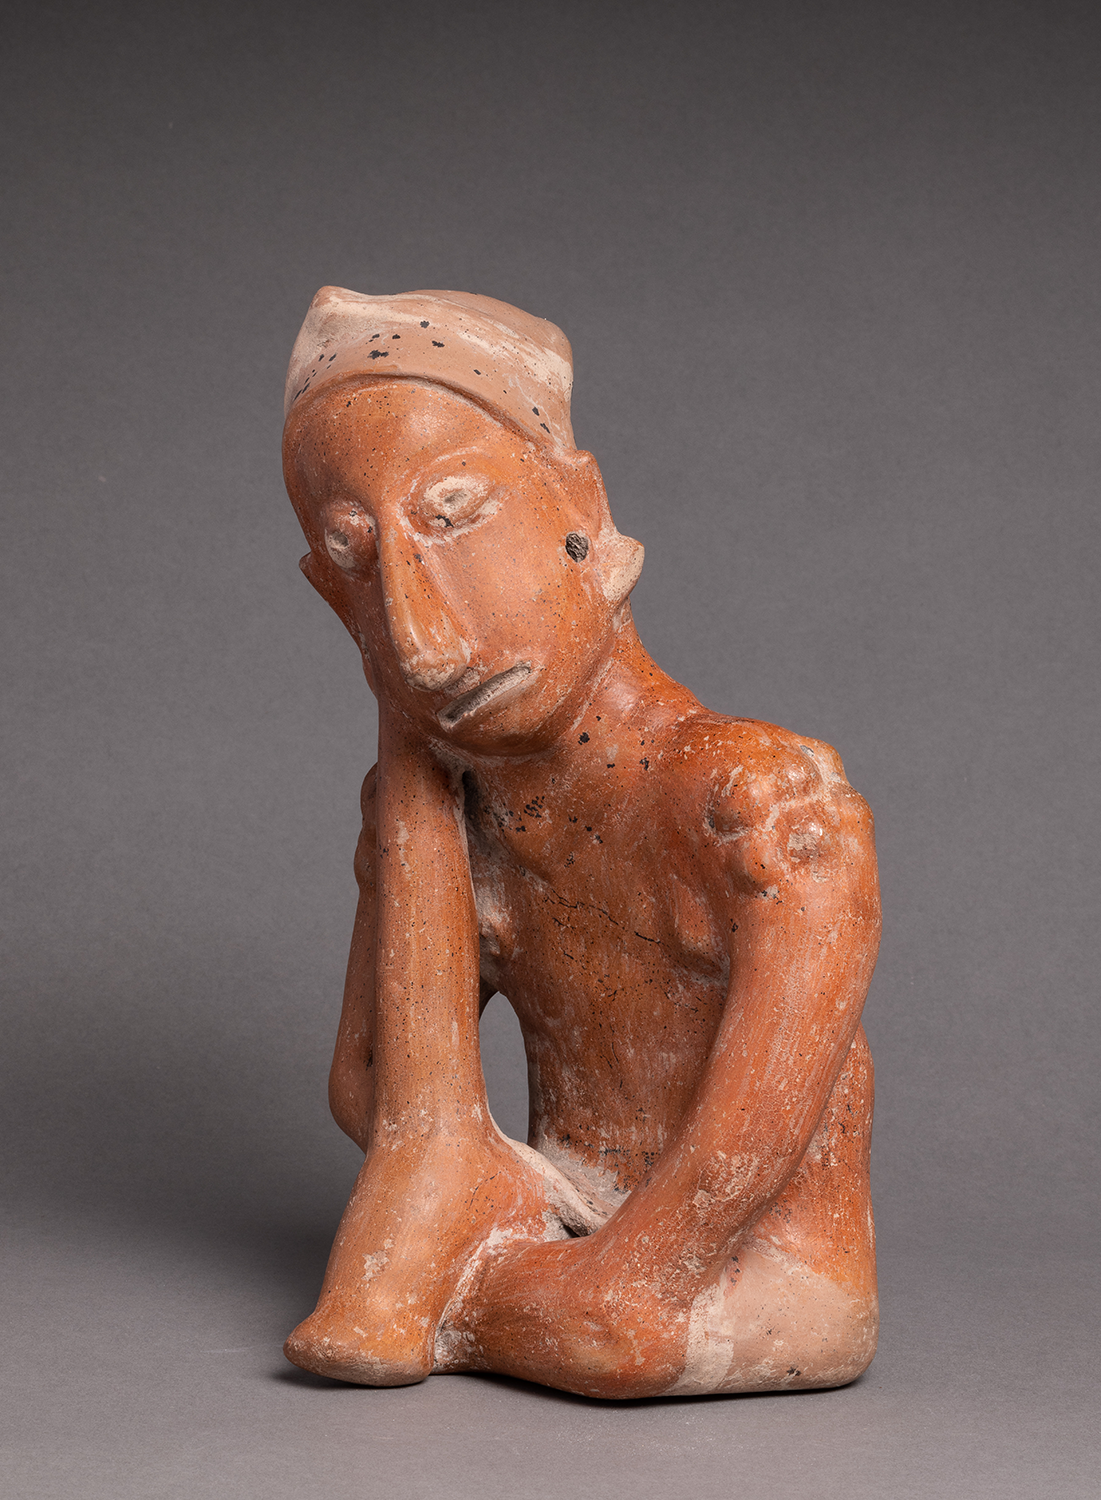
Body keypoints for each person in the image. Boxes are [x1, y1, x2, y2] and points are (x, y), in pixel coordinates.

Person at [279, 288, 881, 1399]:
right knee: (554, 1313)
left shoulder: (758, 800)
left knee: (600, 1335)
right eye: (355, 563)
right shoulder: (455, 823)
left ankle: (471, 1297)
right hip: (570, 1244)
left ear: (581, 511)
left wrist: (576, 1276)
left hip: (756, 1270)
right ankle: (487, 1287)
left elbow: (747, 1150)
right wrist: (410, 768)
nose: (421, 637)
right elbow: (367, 1086)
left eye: (454, 514)